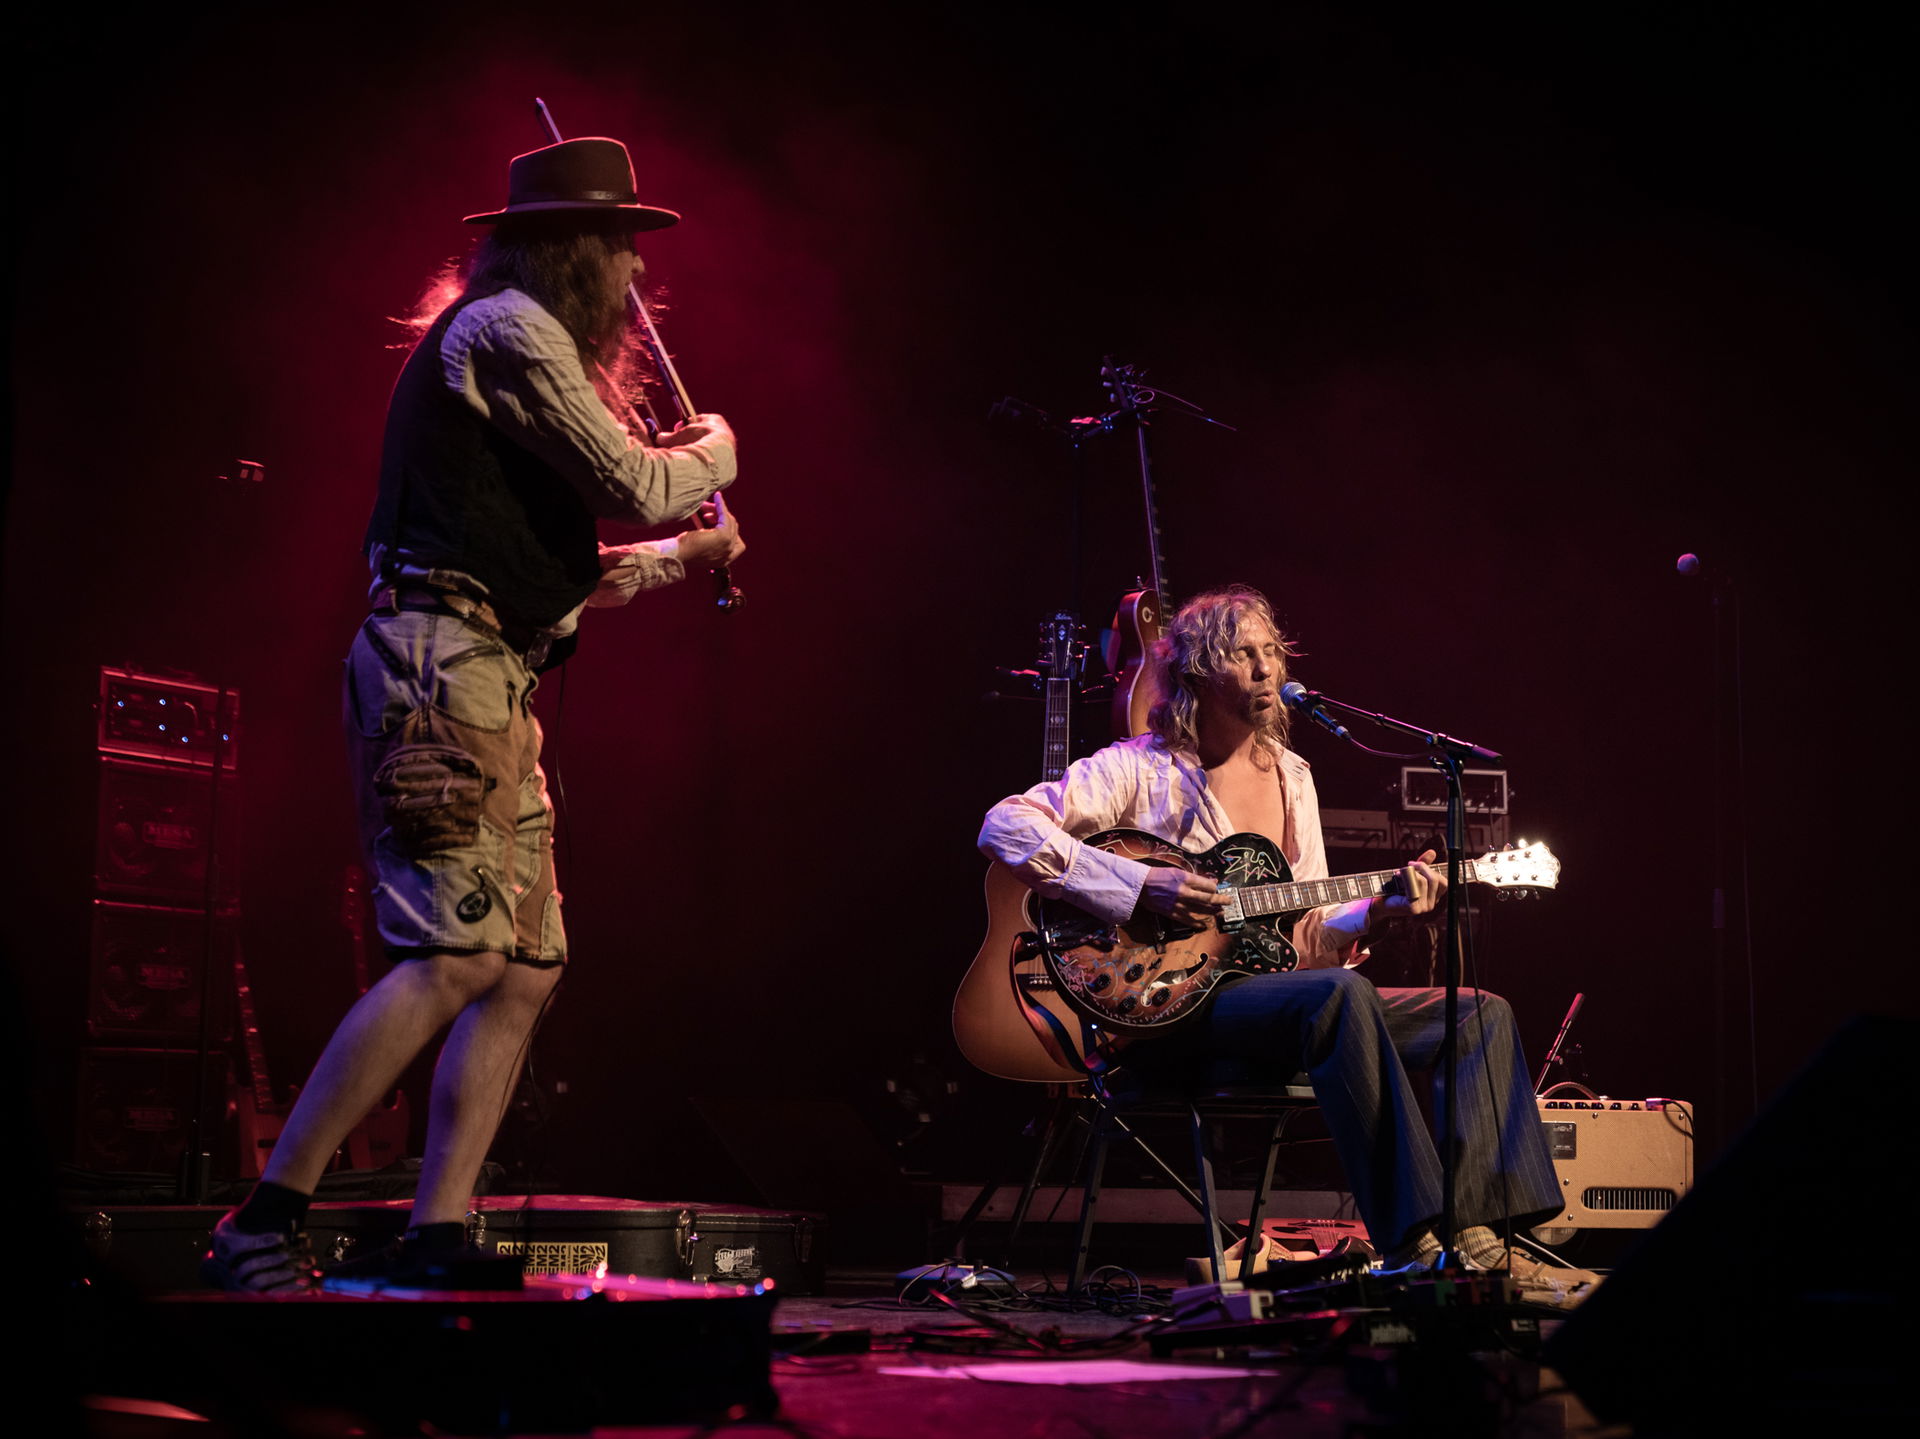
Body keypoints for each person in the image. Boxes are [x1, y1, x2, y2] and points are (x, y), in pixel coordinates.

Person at [203, 136, 745, 1293]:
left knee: (526, 965)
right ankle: (263, 1218)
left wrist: (681, 555)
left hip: (489, 665)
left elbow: (544, 565)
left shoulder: (514, 350)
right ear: (573, 251)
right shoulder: (506, 328)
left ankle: (437, 1229)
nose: (637, 282)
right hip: (436, 671)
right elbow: (641, 479)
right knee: (456, 951)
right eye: (620, 250)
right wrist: (712, 460)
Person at [977, 586, 1569, 1278]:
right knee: (1336, 999)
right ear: (1196, 671)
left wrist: (1379, 908)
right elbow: (1004, 825)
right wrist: (1138, 885)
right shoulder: (1135, 769)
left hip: (1274, 1006)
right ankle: (1412, 1243)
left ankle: (1482, 1242)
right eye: (1242, 653)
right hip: (1169, 1016)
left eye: (1270, 652)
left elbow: (1309, 936)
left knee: (1477, 1013)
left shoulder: (1294, 777)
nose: (1264, 668)